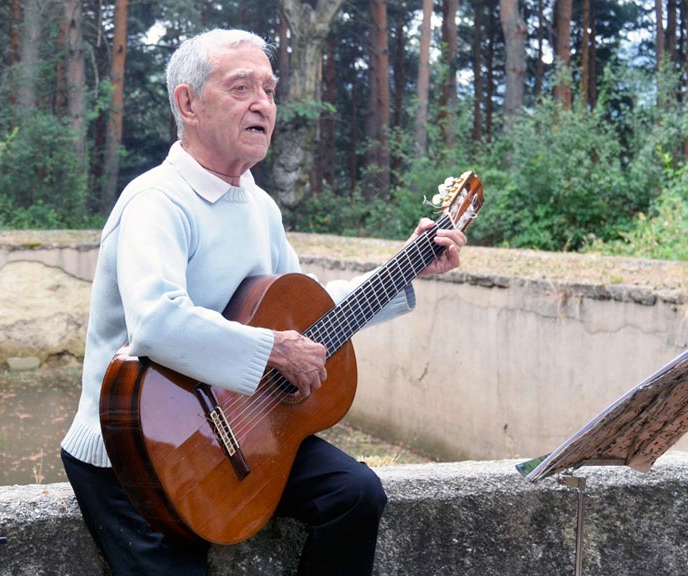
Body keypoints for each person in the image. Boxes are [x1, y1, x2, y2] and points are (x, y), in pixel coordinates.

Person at [59, 28, 466, 576]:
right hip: (135, 448)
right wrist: (274, 350)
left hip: (239, 430)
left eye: (270, 90)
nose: (263, 104)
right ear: (188, 103)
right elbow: (156, 321)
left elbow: (307, 314)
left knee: (356, 494)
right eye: (241, 87)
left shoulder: (259, 206)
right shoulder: (156, 202)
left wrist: (409, 264)